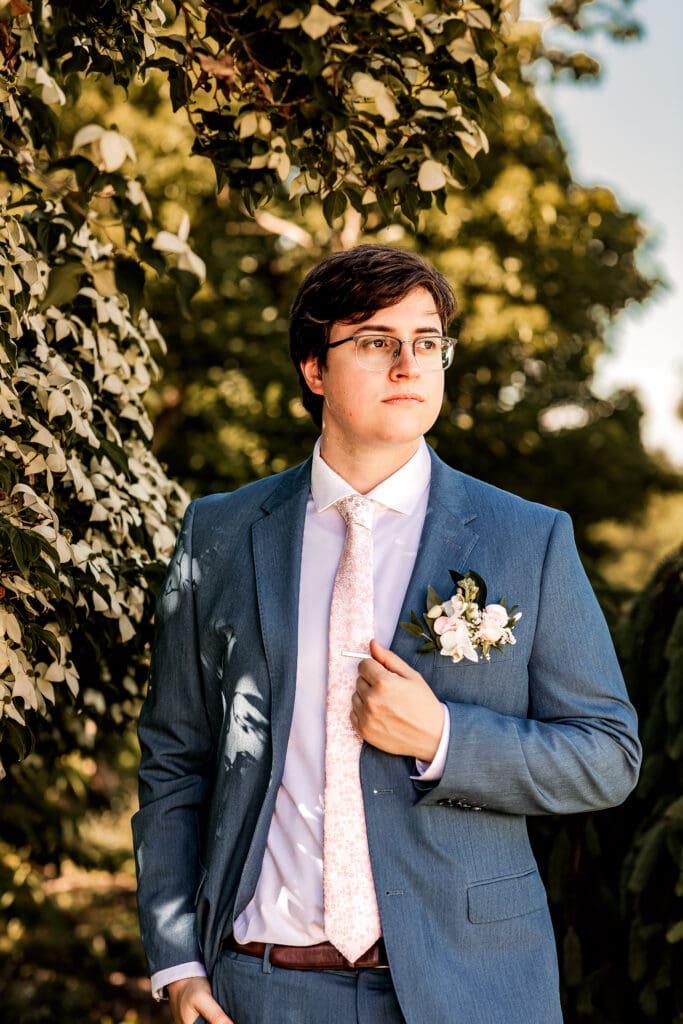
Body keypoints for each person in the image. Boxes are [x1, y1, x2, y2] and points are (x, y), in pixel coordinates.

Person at [132, 244, 641, 1024]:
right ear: (313, 367)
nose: (408, 363)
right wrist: (177, 963)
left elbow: (607, 754)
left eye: (427, 340)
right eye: (375, 341)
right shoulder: (221, 533)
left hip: (468, 990)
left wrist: (443, 737)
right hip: (260, 988)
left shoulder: (526, 539)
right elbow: (175, 760)